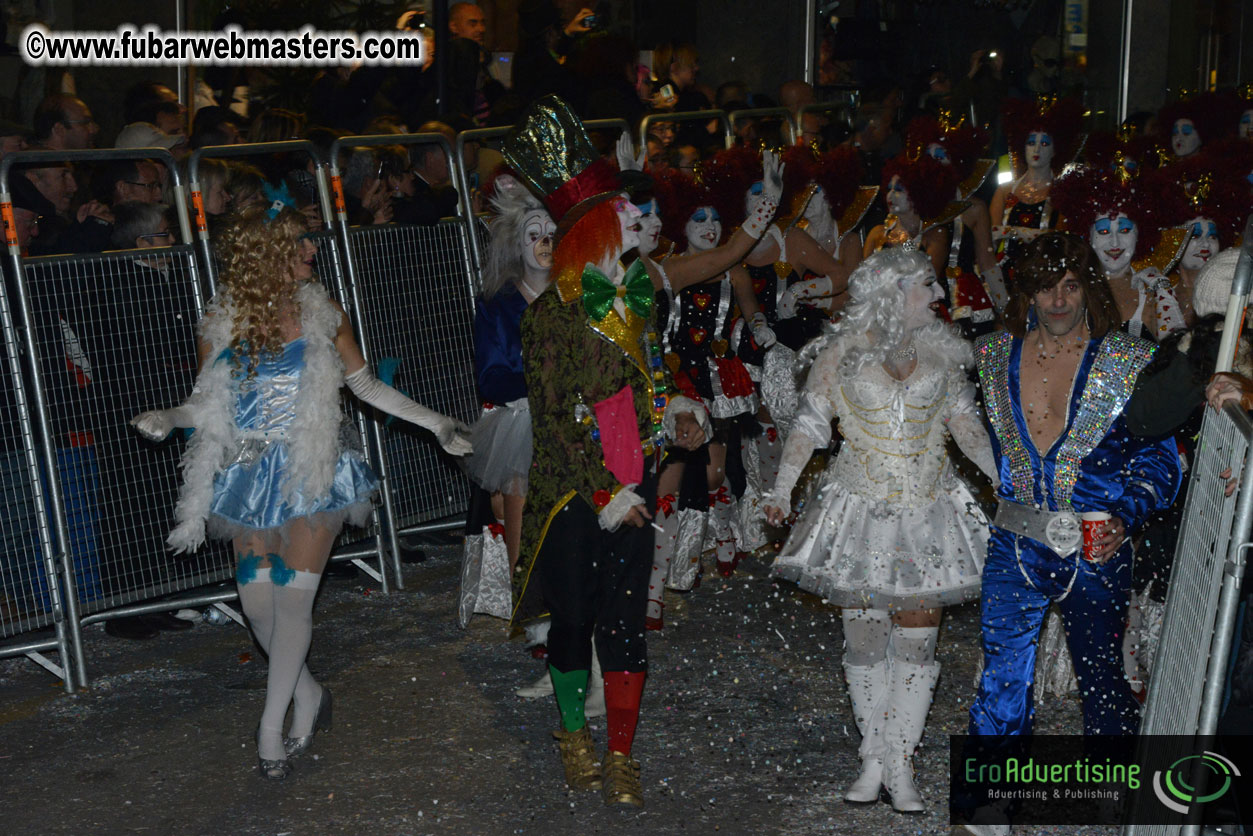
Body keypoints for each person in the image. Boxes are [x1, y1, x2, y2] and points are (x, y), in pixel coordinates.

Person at [130, 201, 471, 780]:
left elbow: (366, 388)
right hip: (248, 473)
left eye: (310, 241)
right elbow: (207, 405)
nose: (313, 249)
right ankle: (308, 692)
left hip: (315, 470)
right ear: (266, 255)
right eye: (300, 242)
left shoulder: (325, 314)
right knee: (258, 609)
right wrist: (168, 416)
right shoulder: (220, 321)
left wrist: (436, 423)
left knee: (292, 602)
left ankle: (270, 728)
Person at [501, 96, 709, 807]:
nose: (638, 218)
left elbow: (651, 383)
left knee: (626, 624)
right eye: (624, 210)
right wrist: (603, 492)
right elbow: (555, 420)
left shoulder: (638, 300)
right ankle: (572, 734)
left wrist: (678, 411)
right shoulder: (549, 317)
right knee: (574, 620)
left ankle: (620, 751)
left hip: (635, 479)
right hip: (576, 491)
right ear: (593, 226)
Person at [762, 248, 997, 813]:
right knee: (865, 639)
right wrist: (781, 489)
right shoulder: (842, 353)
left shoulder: (943, 354)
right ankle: (874, 759)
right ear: (893, 292)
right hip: (860, 513)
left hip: (929, 512)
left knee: (918, 637)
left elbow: (966, 427)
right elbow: (810, 425)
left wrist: (1003, 478)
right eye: (927, 285)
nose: (938, 295)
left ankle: (900, 763)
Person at [968, 232, 1181, 743]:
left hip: (1095, 546)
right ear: (1028, 293)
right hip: (1013, 542)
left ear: (1088, 288)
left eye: (1069, 285)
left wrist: (1127, 515)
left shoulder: (1128, 360)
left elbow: (1160, 458)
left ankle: (1113, 779)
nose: (1058, 300)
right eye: (1045, 287)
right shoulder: (993, 357)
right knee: (1000, 680)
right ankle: (994, 785)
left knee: (1102, 681)